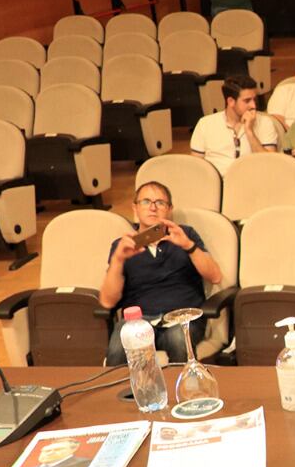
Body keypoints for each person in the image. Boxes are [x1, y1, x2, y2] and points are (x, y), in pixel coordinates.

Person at [99, 181, 222, 365]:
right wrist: (118, 260)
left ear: (170, 209)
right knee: (118, 349)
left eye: (160, 203)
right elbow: (107, 301)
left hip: (181, 317)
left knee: (178, 339)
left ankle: (179, 392)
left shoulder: (185, 234)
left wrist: (188, 246)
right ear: (135, 208)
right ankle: (117, 393)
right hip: (138, 320)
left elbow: (215, 276)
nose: (153, 208)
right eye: (146, 202)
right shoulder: (122, 246)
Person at [189, 76, 277, 175]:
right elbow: (196, 167)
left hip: (253, 183)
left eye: (254, 100)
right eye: (247, 101)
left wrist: (249, 131)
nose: (253, 105)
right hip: (217, 184)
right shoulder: (205, 124)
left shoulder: (265, 122)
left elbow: (270, 163)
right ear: (231, 101)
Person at [12, 437, 92, 467]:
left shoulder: (82, 463)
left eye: (57, 450)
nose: (49, 453)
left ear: (73, 450)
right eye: (46, 450)